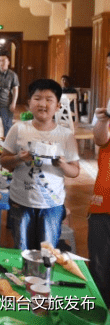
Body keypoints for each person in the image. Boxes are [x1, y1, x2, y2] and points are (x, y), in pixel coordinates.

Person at [0, 79, 80, 250]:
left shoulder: (66, 135)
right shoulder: (18, 129)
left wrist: (62, 164)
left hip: (52, 205)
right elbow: (4, 162)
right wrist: (19, 159)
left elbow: (74, 171)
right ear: (29, 103)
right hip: (20, 202)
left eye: (49, 99)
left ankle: (45, 277)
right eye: (37, 98)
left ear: (58, 105)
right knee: (22, 250)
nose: (42, 104)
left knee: (48, 253)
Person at [90, 99, 110, 306]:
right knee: (99, 267)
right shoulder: (107, 118)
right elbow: (100, 138)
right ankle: (98, 310)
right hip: (102, 206)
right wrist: (102, 119)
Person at [0, 54, 19, 140]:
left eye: (4, 61)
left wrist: (13, 103)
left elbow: (15, 89)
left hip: (6, 104)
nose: (1, 63)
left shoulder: (12, 75)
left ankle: (7, 145)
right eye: (0, 61)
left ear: (8, 62)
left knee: (7, 125)